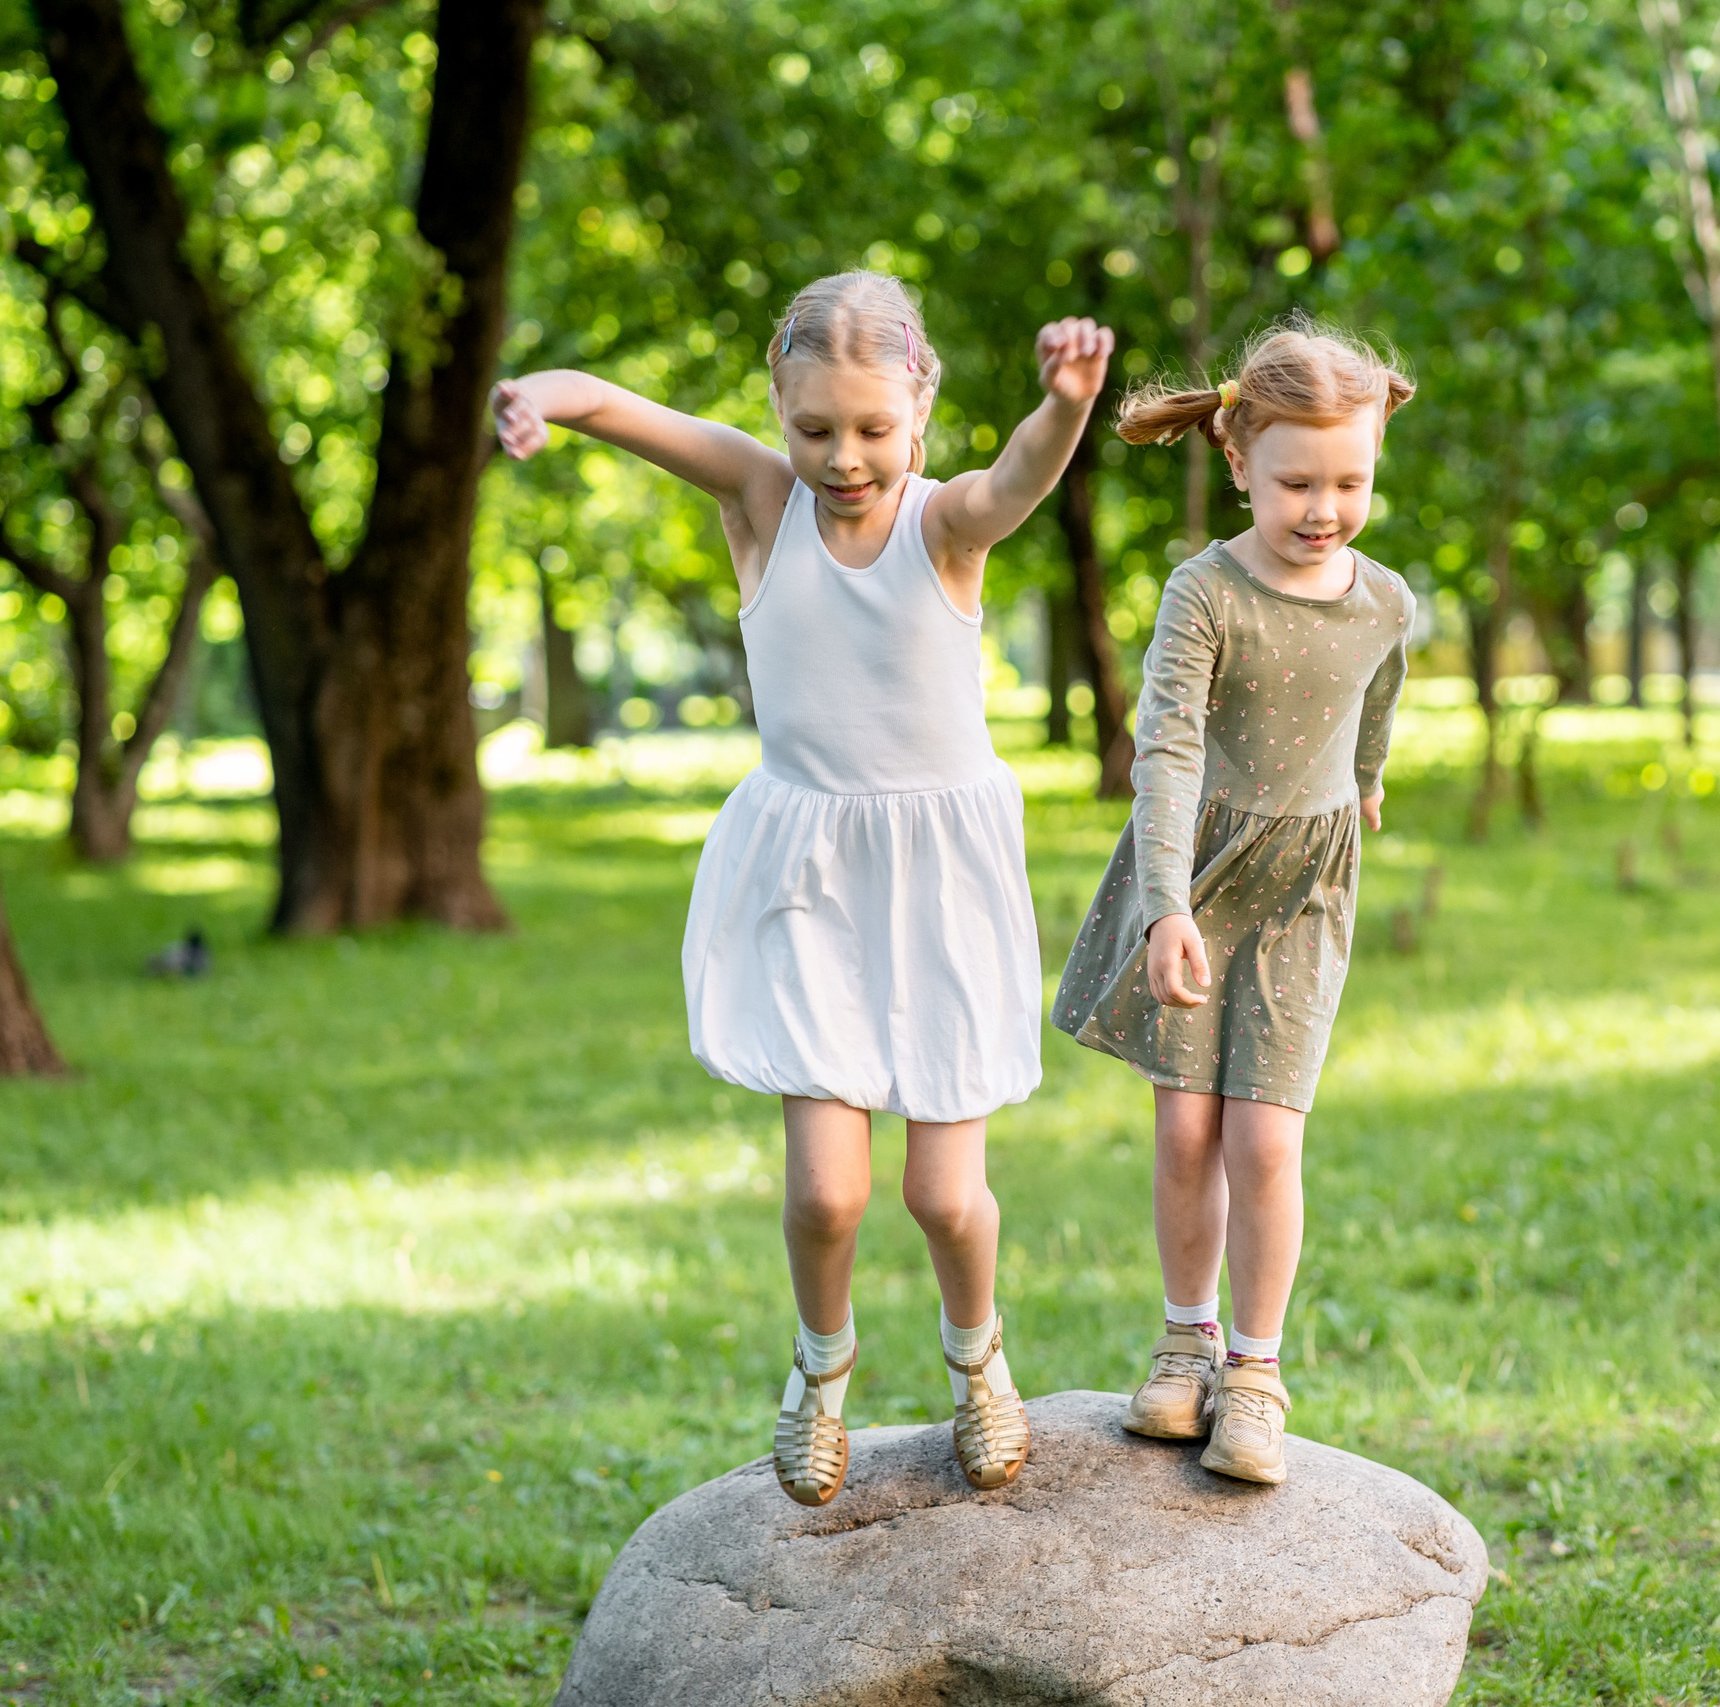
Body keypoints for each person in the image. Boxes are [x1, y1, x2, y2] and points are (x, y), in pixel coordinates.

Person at [491, 272, 1114, 1505]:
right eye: (814, 427)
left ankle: (977, 1358)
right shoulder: (758, 501)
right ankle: (820, 1369)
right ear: (778, 407)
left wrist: (1065, 403)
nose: (843, 457)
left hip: (936, 883)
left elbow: (1019, 480)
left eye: (874, 430)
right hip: (813, 879)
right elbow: (613, 404)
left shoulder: (945, 527)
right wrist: (532, 401)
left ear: (920, 411)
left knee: (943, 1195)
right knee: (827, 1192)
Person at [1051, 323, 1416, 1485]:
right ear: (1240, 461)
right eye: (1297, 482)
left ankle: (1255, 1374)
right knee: (1188, 1127)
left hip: (1306, 890)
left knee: (1265, 1137)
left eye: (1349, 481)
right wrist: (1164, 910)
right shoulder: (1204, 592)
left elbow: (1377, 700)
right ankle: (1185, 1342)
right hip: (1198, 876)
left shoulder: (1386, 601)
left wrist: (1362, 783)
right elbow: (1162, 753)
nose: (1324, 507)